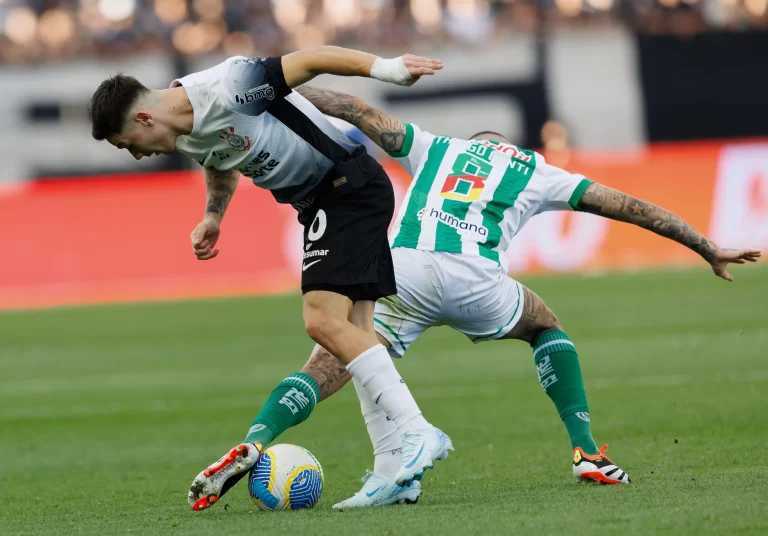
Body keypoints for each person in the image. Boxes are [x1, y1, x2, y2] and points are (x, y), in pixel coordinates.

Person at [213, 85, 761, 510]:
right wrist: (704, 245)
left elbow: (355, 109)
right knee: (545, 326)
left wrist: (275, 90)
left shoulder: (434, 147)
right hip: (477, 281)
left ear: (472, 145)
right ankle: (586, 451)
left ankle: (259, 438)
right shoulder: (535, 169)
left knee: (343, 351)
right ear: (507, 148)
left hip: (404, 272)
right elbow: (624, 204)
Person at [88, 47, 453, 512]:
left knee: (322, 322)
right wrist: (214, 215)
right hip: (325, 201)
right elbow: (218, 158)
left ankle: (418, 429)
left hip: (346, 187)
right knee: (355, 336)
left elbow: (311, 58)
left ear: (142, 118)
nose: (138, 155)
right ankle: (392, 471)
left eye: (129, 144)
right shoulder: (183, 132)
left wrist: (389, 70)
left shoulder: (230, 87)